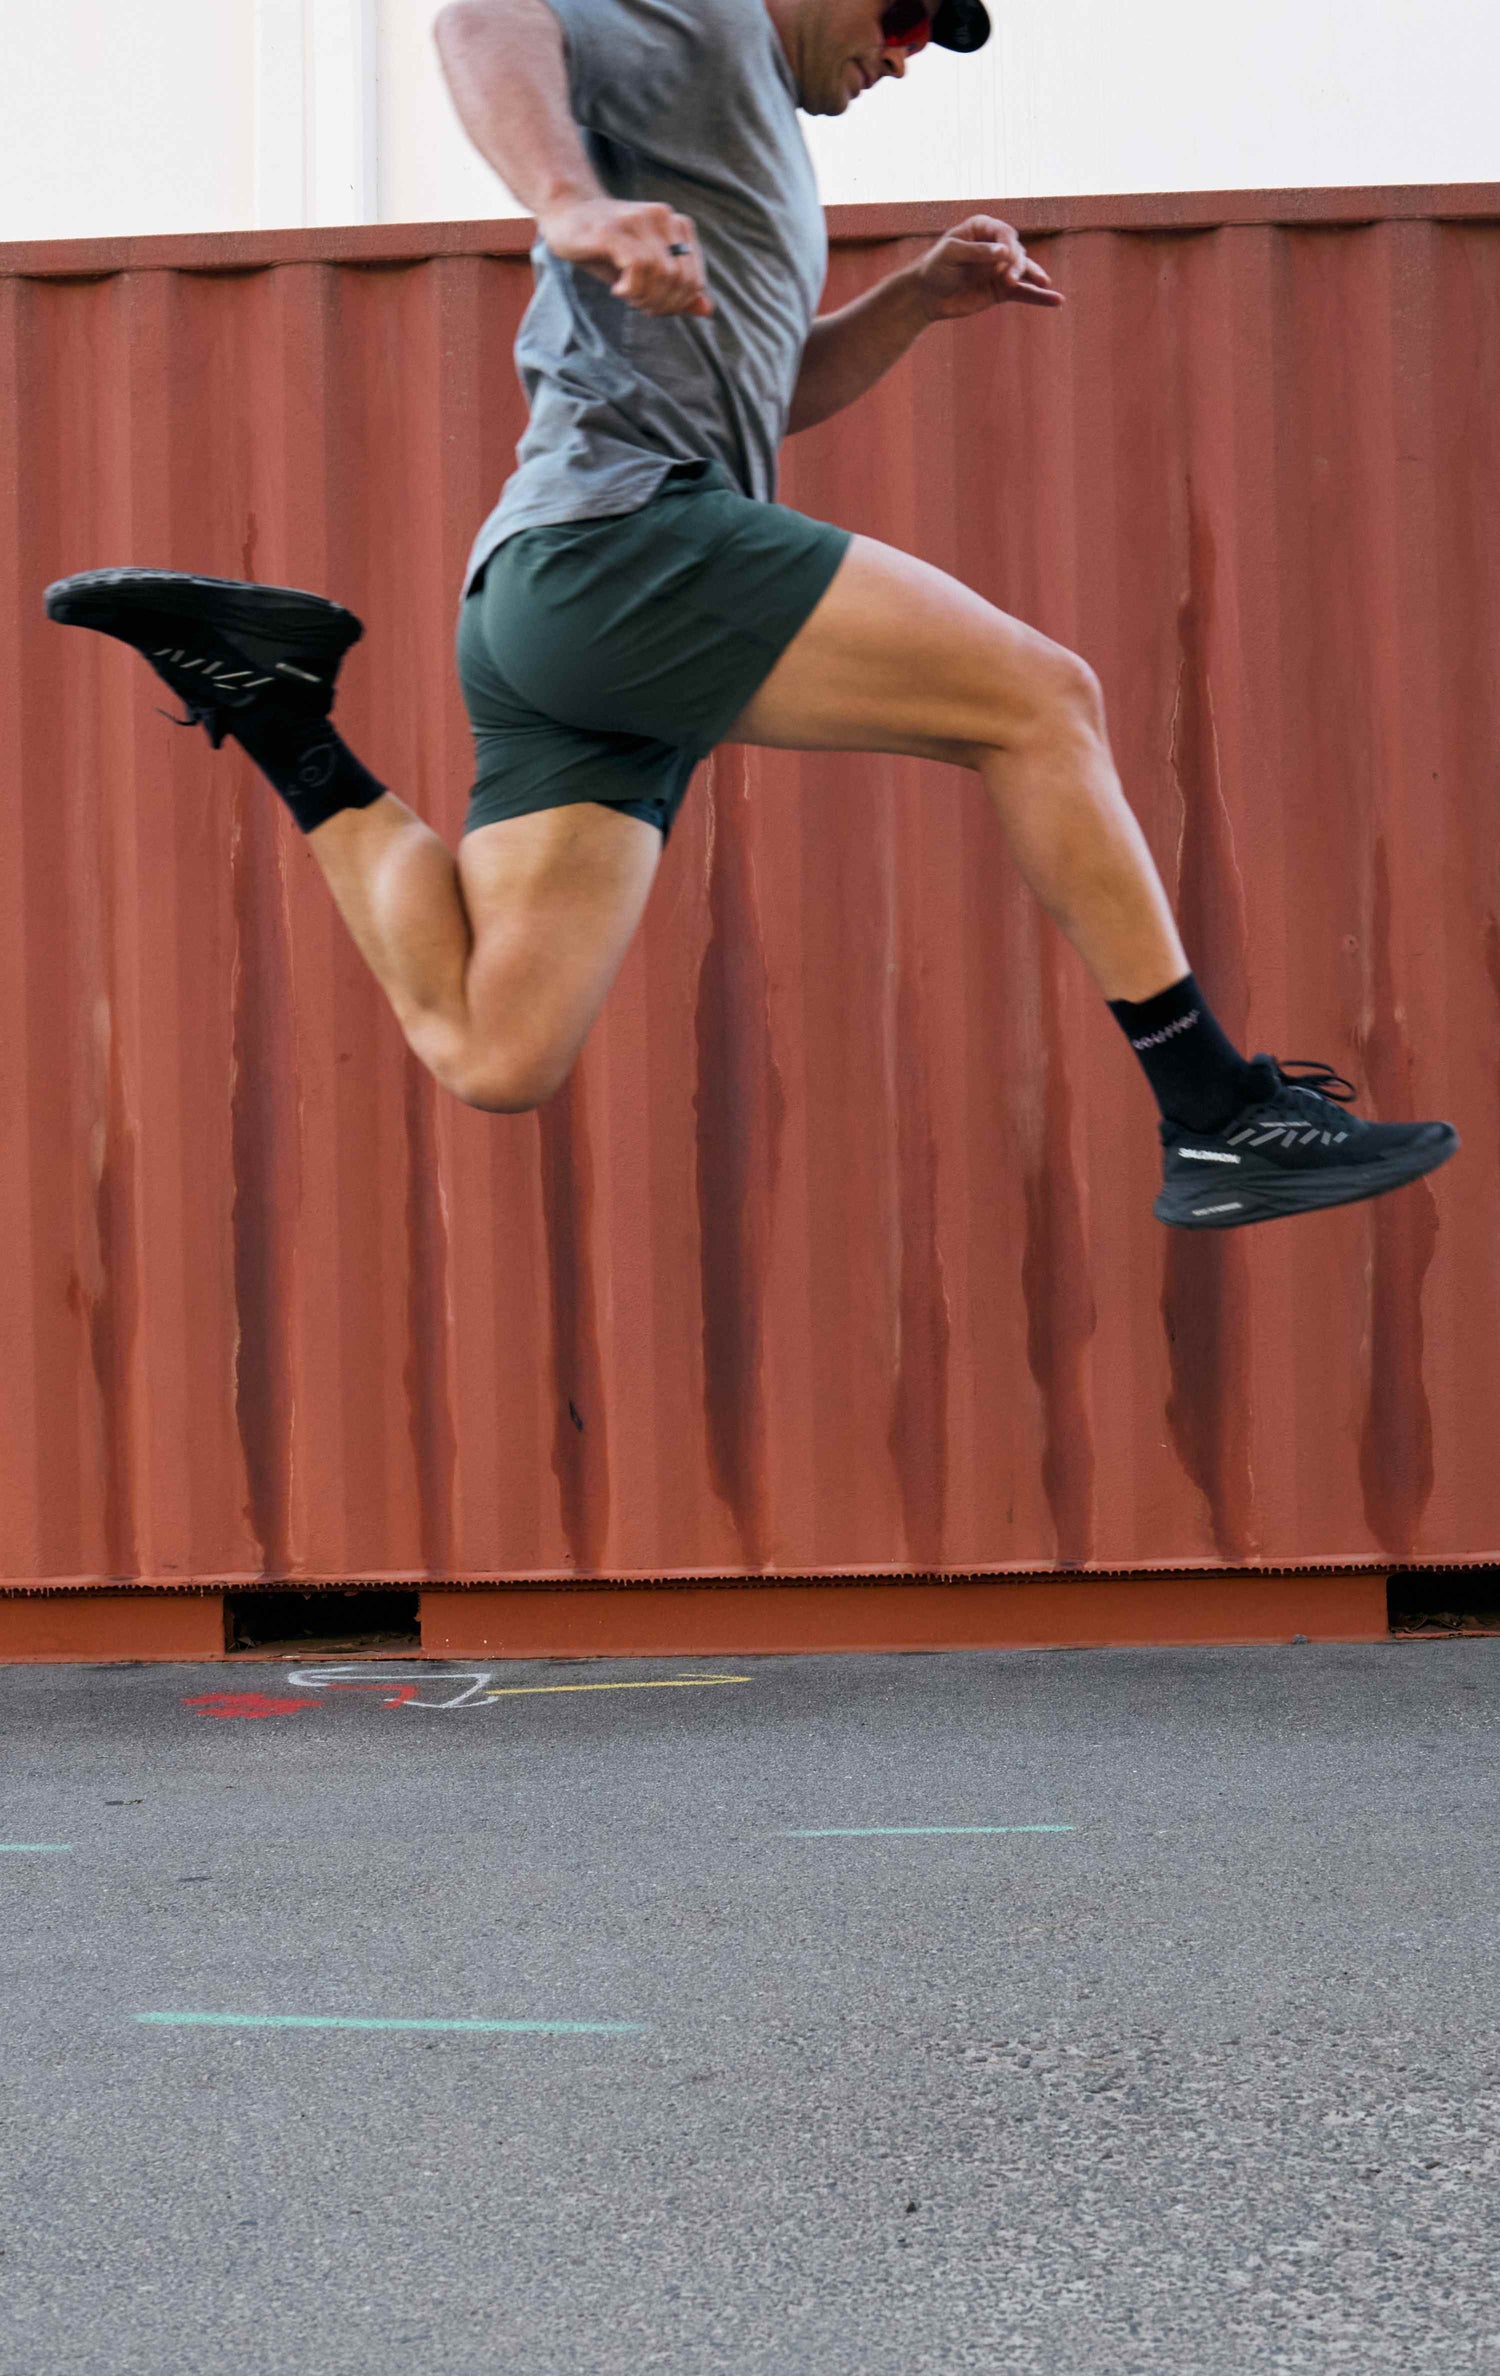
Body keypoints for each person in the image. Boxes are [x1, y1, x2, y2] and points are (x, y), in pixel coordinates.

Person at [46, 0, 1456, 1230]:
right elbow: (482, 18)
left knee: (494, 1050)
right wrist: (568, 206)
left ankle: (278, 711)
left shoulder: (759, 153)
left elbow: (756, 413)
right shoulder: (705, 20)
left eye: (930, 42)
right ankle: (1213, 1104)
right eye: (903, 13)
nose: (905, 55)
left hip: (553, 606)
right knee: (1044, 701)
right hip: (618, 548)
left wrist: (909, 303)